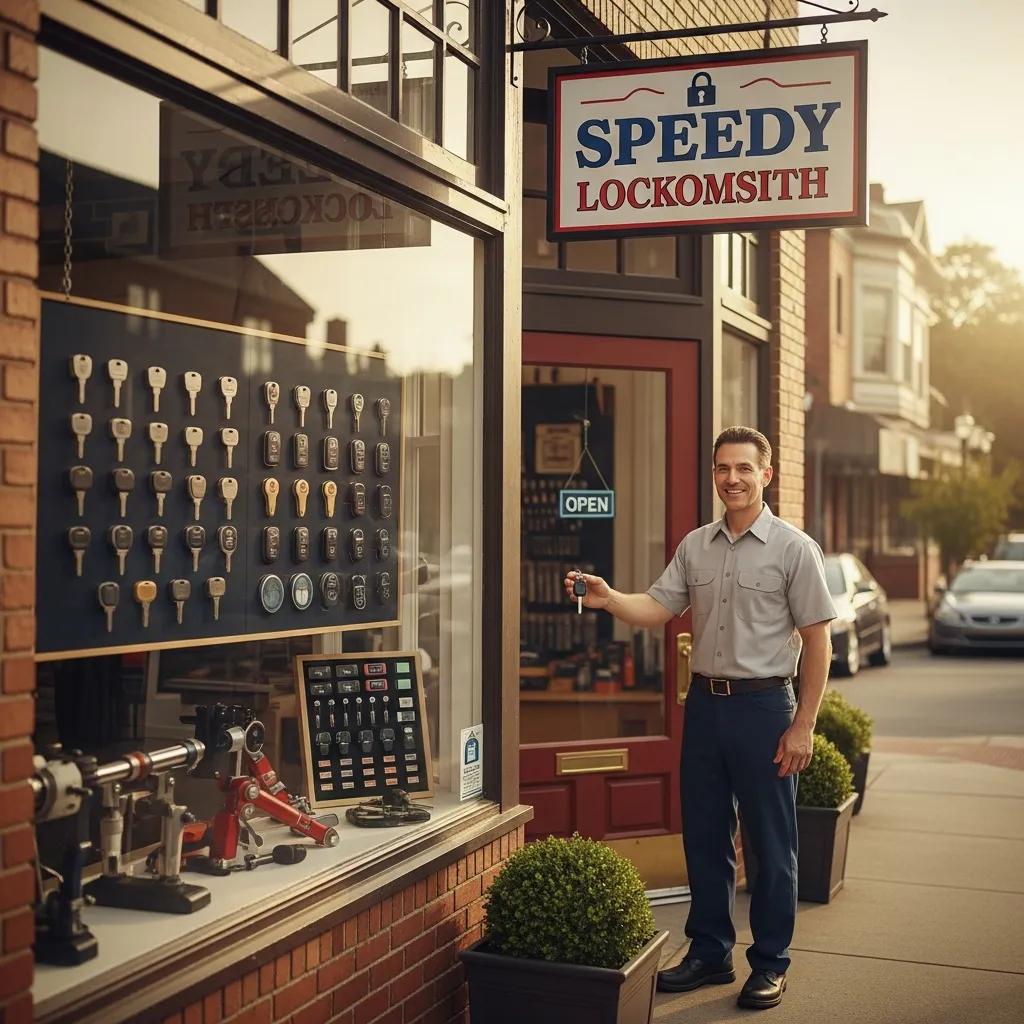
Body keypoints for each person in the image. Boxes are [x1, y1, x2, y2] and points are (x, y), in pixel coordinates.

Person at [564, 425, 836, 1011]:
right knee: (706, 837)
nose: (731, 479)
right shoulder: (696, 546)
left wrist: (804, 725)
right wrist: (610, 598)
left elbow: (819, 643)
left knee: (771, 843)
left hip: (766, 709)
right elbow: (656, 608)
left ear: (766, 475)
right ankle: (710, 953)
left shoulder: (794, 549)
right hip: (707, 708)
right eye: (722, 468)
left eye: (743, 468)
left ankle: (770, 963)